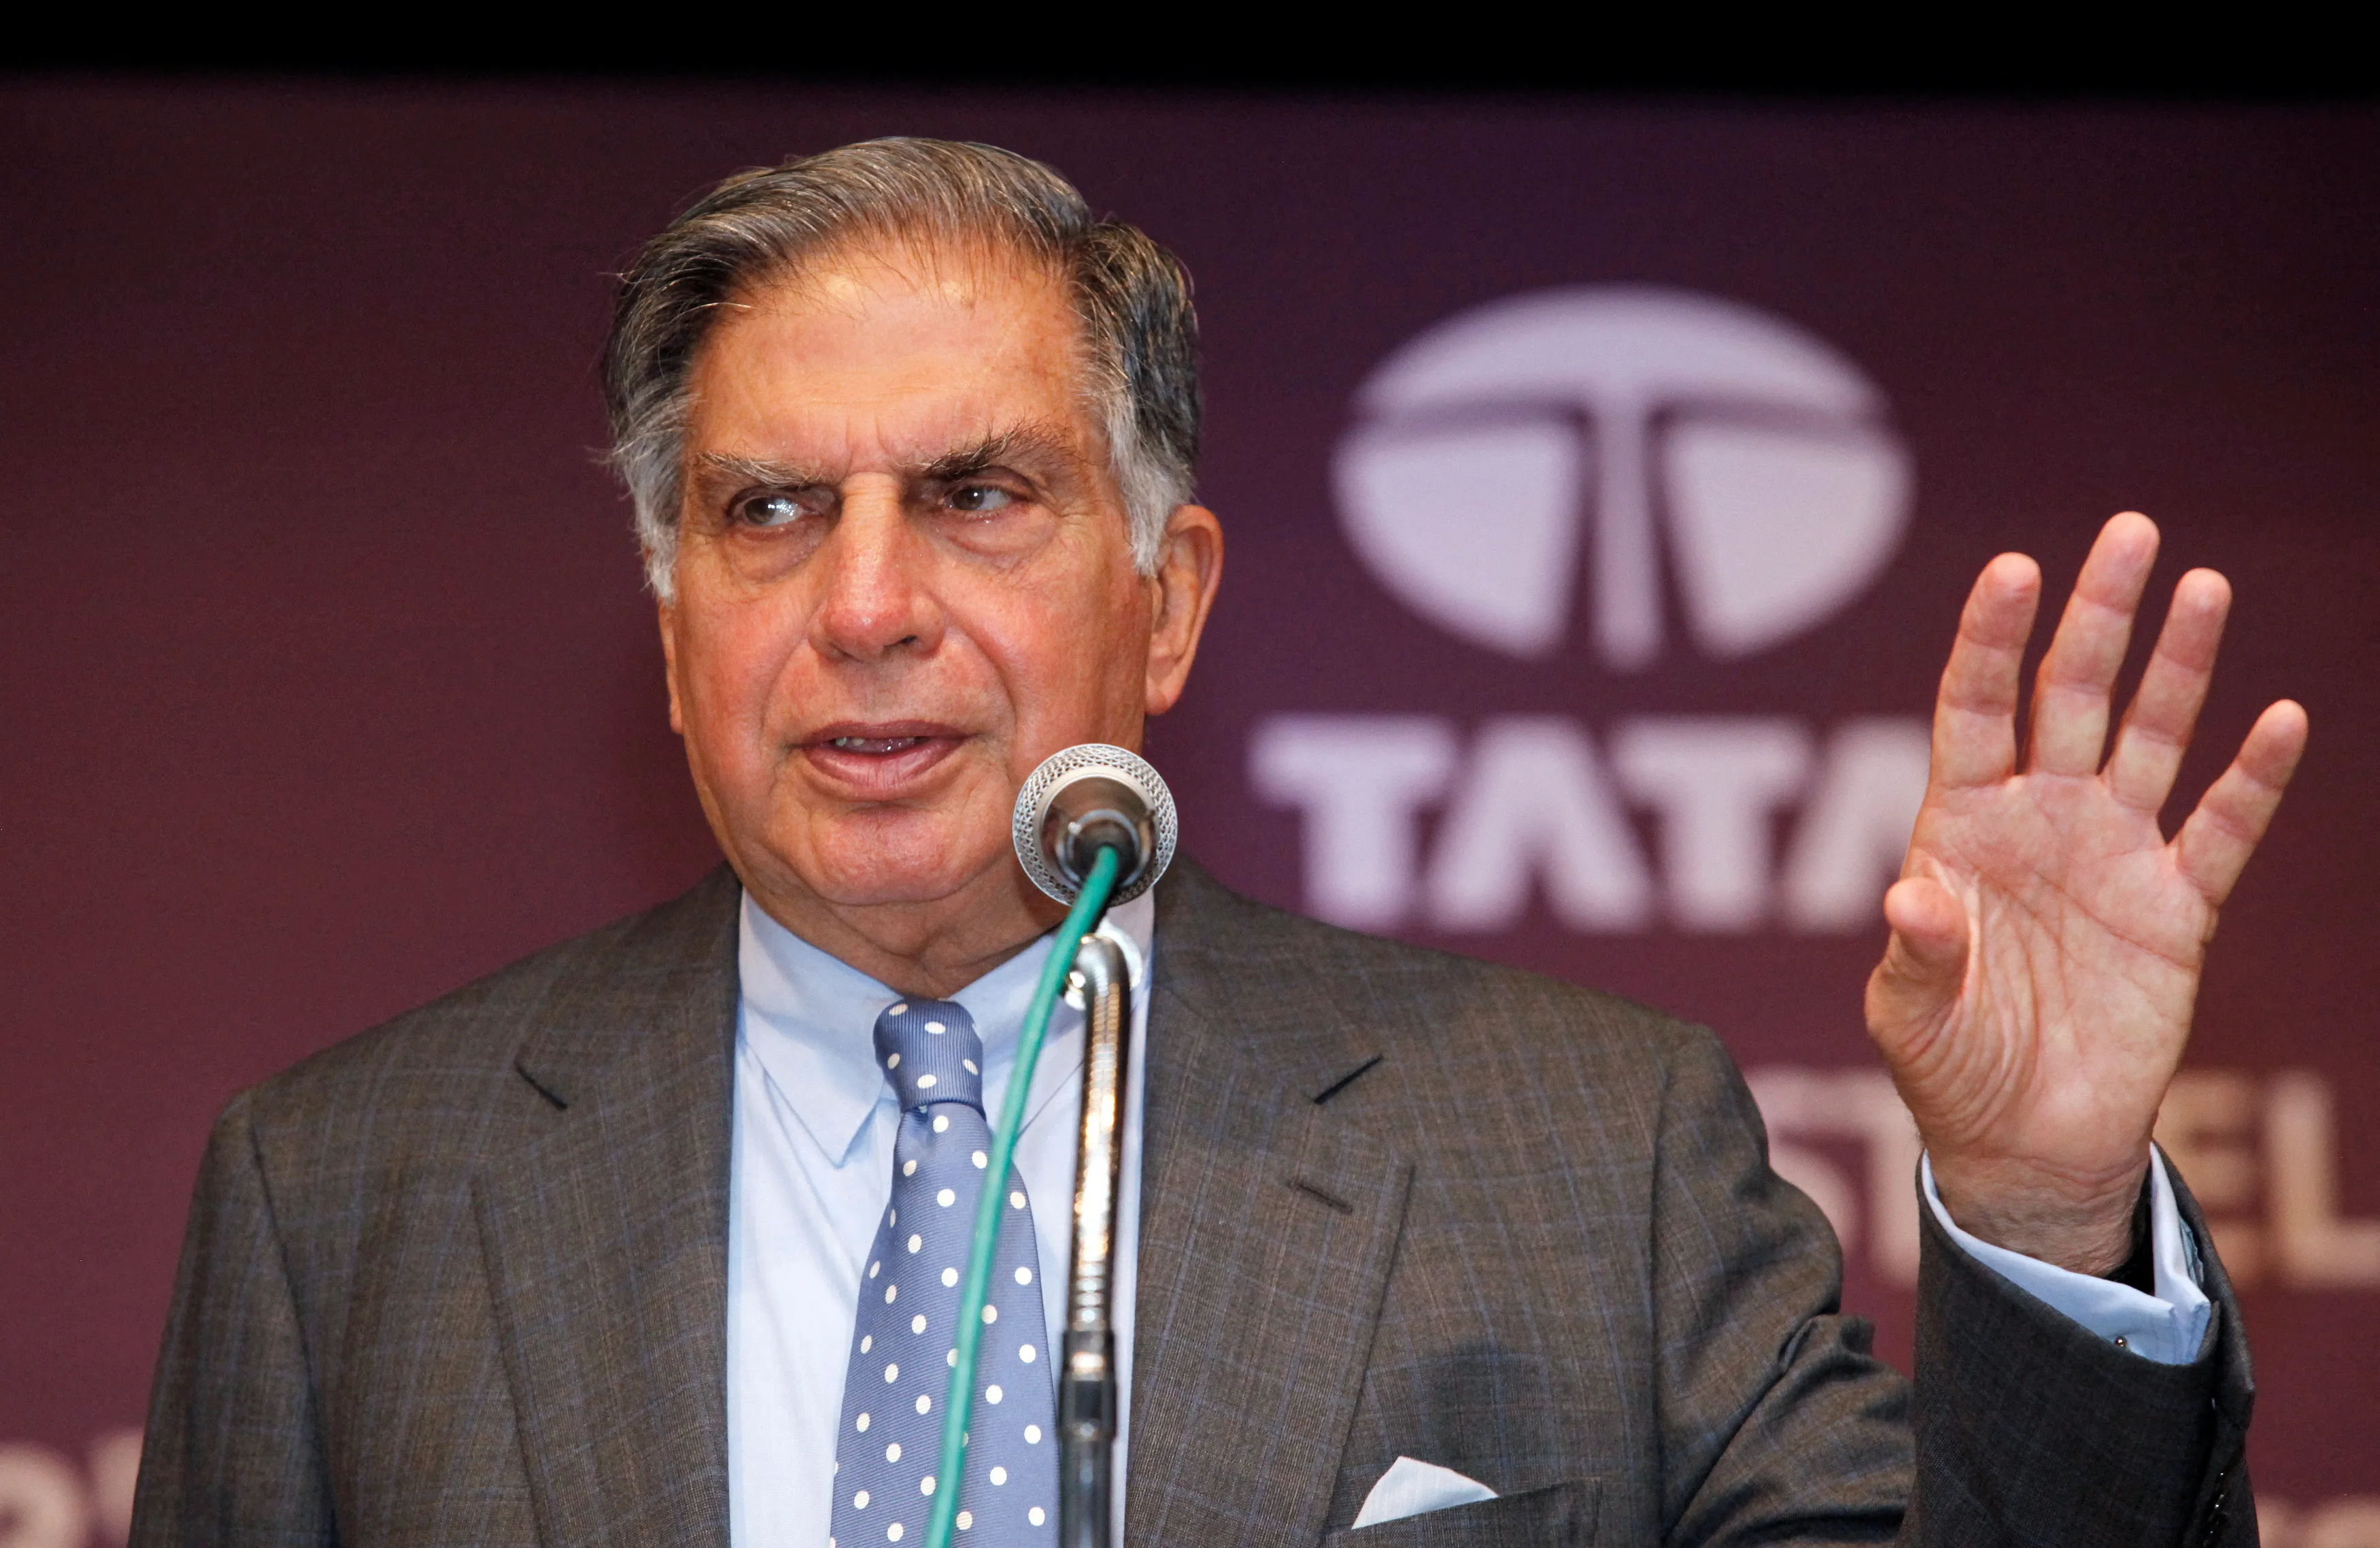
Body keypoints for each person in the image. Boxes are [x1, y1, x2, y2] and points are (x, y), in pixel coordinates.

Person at [129, 138, 2307, 1547]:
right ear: (673, 616)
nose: (865, 604)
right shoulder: (341, 1199)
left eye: (977, 495)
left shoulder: (1584, 1147)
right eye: (767, 510)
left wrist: (2033, 1202)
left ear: (1165, 599)